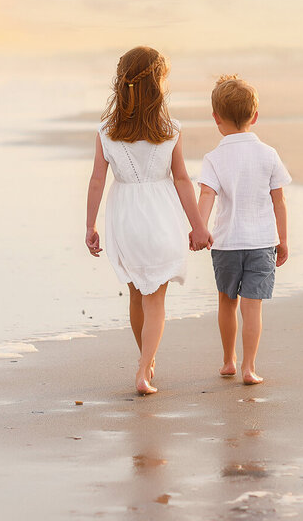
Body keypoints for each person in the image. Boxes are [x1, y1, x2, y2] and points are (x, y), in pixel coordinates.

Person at [85, 46, 212, 395]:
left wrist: (90, 226)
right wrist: (197, 225)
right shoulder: (170, 129)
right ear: (158, 85)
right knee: (156, 299)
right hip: (161, 215)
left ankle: (146, 360)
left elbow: (97, 180)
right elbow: (183, 180)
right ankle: (144, 370)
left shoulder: (106, 131)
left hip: (124, 218)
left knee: (136, 295)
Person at [195, 75, 290, 385]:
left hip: (225, 243)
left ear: (216, 119)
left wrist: (200, 228)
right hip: (262, 242)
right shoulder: (269, 154)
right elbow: (279, 201)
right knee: (252, 307)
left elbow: (207, 195)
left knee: (227, 301)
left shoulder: (214, 158)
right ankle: (249, 367)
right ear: (255, 116)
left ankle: (228, 361)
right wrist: (283, 240)